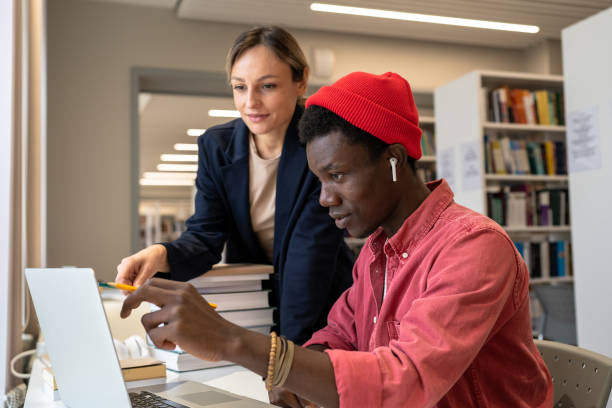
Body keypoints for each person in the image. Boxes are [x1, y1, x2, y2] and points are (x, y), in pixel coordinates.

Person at [121, 71, 553, 408]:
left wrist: (232, 341)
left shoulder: (474, 248)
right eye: (318, 179)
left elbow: (406, 382)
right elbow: (337, 335)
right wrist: (293, 378)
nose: (325, 198)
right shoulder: (375, 252)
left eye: (338, 175)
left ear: (393, 160)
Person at [116, 26, 354, 345]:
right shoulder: (217, 147)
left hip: (324, 308)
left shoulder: (322, 143)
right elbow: (205, 236)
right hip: (254, 305)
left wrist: (286, 357)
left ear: (301, 80)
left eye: (267, 86)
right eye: (239, 87)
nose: (250, 102)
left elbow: (309, 258)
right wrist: (160, 253)